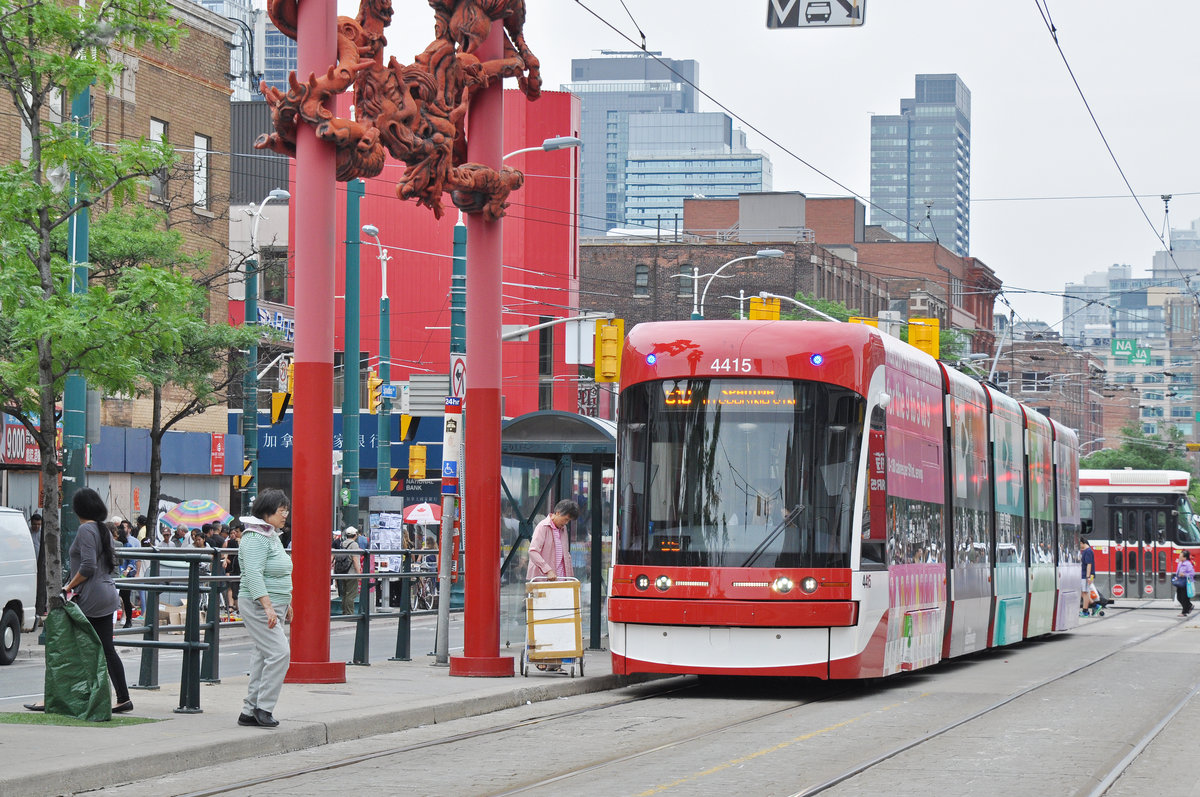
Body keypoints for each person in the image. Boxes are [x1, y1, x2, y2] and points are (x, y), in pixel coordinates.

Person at [25, 488, 133, 714]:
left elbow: (88, 566)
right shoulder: (103, 530)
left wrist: (68, 587)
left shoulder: (85, 530)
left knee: (67, 648)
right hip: (106, 594)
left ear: (77, 509)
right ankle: (123, 698)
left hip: (90, 596)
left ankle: (55, 699)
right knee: (106, 649)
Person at [237, 489, 293, 728]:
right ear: (267, 512)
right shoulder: (255, 537)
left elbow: (278, 571)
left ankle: (250, 711)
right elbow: (253, 574)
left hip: (274, 604)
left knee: (263, 655)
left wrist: (286, 603)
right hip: (259, 605)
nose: (285, 515)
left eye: (286, 511)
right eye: (281, 511)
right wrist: (268, 607)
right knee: (280, 653)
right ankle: (264, 707)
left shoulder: (270, 535)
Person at [527, 499, 580, 582]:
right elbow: (533, 551)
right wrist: (548, 570)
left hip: (562, 578)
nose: (566, 523)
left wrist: (570, 577)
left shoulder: (563, 529)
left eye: (569, 521)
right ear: (558, 513)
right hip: (544, 578)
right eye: (566, 519)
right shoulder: (543, 526)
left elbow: (566, 554)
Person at [333, 527, 362, 615]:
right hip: (351, 572)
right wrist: (359, 574)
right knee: (351, 594)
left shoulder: (342, 543)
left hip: (343, 571)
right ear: (355, 535)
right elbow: (355, 560)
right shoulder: (354, 545)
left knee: (345, 593)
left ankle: (344, 612)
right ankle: (349, 613)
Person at [1174, 550, 1195, 617]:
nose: (1179, 557)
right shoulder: (1180, 563)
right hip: (1180, 582)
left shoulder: (1188, 564)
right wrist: (1177, 577)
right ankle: (1189, 606)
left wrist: (1184, 574)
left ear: (1185, 558)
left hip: (1186, 583)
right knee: (1179, 597)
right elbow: (1178, 572)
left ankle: (1184, 612)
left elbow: (1192, 574)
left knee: (1184, 597)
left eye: (1180, 556)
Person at [1080, 538, 1095, 617]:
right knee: (1082, 592)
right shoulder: (1086, 551)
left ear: (1082, 543)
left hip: (1086, 575)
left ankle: (1085, 611)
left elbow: (1089, 564)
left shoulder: (1088, 551)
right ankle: (1094, 605)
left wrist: (1088, 577)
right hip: (1084, 575)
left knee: (1085, 593)